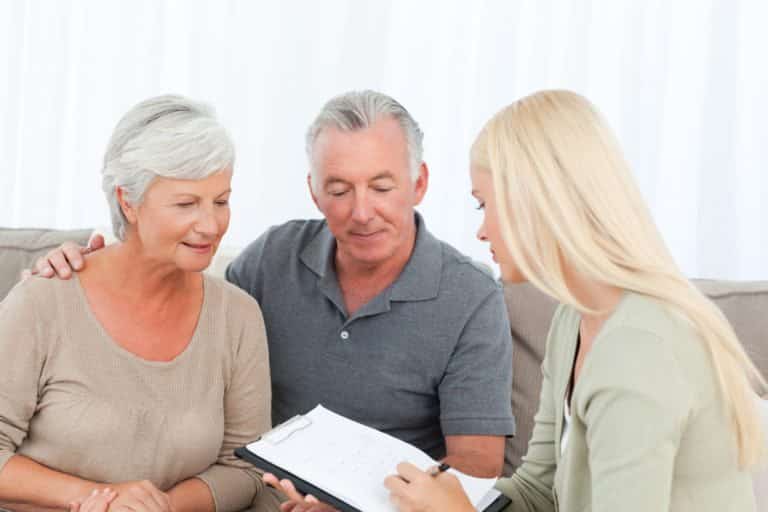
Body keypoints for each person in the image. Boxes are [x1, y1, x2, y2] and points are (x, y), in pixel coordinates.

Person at [30, 90, 517, 478]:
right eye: (339, 190)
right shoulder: (272, 260)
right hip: (260, 495)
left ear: (420, 183)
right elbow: (172, 294)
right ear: (313, 191)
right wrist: (85, 260)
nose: (362, 212)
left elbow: (476, 465)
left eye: (382, 187)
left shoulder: (471, 296)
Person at [380, 90, 767, 511]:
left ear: (537, 203)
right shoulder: (574, 319)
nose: (482, 231)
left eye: (484, 205)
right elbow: (537, 491)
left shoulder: (639, 350)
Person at [0, 95, 279, 511]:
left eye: (221, 201)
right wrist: (97, 500)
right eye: (186, 204)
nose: (210, 225)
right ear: (128, 202)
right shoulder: (45, 299)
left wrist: (156, 507)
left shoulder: (237, 317)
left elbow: (246, 468)